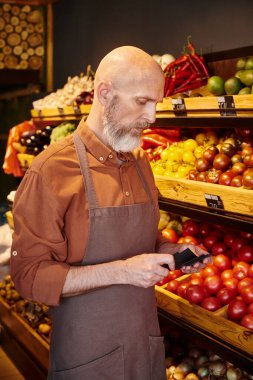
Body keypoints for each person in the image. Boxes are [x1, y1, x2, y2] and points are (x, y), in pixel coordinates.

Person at [10, 46, 211, 380]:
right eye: (143, 101)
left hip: (143, 343)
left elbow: (141, 240)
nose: (152, 117)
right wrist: (122, 272)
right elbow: (28, 276)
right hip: (87, 356)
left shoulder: (140, 162)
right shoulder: (51, 170)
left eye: (156, 104)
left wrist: (171, 251)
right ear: (104, 93)